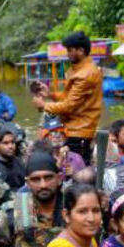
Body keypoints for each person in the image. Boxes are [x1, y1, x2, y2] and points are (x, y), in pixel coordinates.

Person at [32, 31, 103, 165]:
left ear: (81, 50)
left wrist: (44, 105)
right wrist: (51, 95)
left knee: (77, 170)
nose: (67, 54)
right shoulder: (80, 70)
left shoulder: (85, 74)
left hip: (79, 131)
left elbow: (69, 106)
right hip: (74, 129)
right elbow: (69, 98)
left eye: (70, 50)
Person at [42, 116, 86, 180]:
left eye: (61, 133)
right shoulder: (42, 158)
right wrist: (60, 159)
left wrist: (74, 174)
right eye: (52, 134)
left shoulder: (76, 158)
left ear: (65, 138)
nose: (57, 136)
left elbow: (86, 183)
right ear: (45, 138)